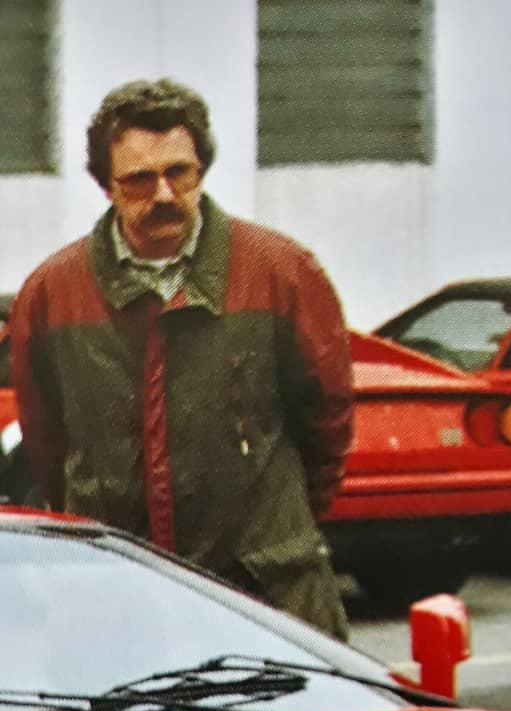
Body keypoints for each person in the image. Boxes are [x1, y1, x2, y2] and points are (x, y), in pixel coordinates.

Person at [11, 78, 353, 640]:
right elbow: (47, 444)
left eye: (180, 173)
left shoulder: (282, 272)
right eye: (139, 180)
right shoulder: (53, 293)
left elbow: (327, 421)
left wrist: (276, 532)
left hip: (269, 593)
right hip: (116, 599)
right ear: (107, 186)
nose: (164, 194)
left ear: (202, 171)